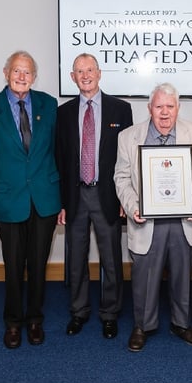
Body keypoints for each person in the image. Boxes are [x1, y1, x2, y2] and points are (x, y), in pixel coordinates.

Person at [114, 82, 192, 352]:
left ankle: (182, 323)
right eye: (159, 107)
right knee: (144, 273)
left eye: (170, 106)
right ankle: (142, 325)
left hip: (184, 220)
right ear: (150, 108)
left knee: (183, 273)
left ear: (178, 108)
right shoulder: (128, 137)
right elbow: (121, 178)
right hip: (147, 220)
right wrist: (134, 205)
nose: (165, 112)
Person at [0, 50, 60, 349]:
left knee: (38, 264)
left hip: (45, 199)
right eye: (16, 71)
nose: (22, 77)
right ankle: (13, 322)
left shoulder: (49, 105)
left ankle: (35, 319)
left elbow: (56, 151)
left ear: (34, 77)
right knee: (12, 265)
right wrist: (6, 178)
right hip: (9, 198)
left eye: (27, 72)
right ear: (5, 72)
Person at [56, 54, 133, 339]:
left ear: (99, 74)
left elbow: (128, 159)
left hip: (108, 195)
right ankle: (79, 311)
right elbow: (60, 160)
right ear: (73, 77)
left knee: (111, 259)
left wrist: (127, 198)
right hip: (76, 196)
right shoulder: (62, 113)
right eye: (79, 71)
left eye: (90, 70)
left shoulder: (121, 110)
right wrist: (61, 203)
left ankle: (110, 313)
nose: (85, 75)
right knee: (75, 259)